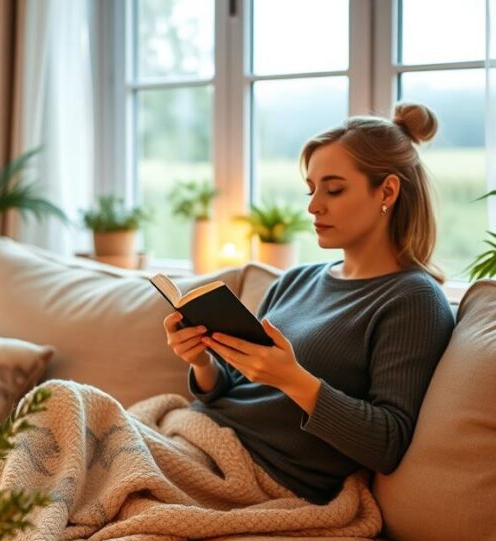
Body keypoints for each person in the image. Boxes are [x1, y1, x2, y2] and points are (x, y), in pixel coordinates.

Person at [163, 103, 455, 506]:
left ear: (387, 191)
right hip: (195, 436)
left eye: (333, 189)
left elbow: (387, 443)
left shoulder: (413, 300)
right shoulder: (296, 280)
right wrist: (201, 361)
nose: (314, 206)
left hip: (257, 475)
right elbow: (226, 389)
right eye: (312, 189)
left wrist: (293, 379)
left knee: (67, 408)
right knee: (62, 411)